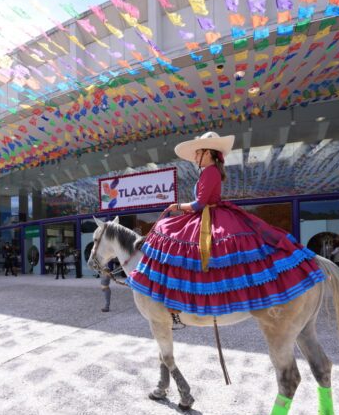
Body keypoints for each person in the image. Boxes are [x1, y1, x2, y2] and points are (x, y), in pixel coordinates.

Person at [126, 132, 325, 317]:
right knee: (176, 239)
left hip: (207, 214)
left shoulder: (210, 172)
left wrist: (176, 206)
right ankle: (179, 297)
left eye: (197, 153)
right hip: (207, 214)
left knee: (166, 230)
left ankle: (178, 297)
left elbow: (199, 204)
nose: (195, 157)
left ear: (208, 153)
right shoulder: (210, 171)